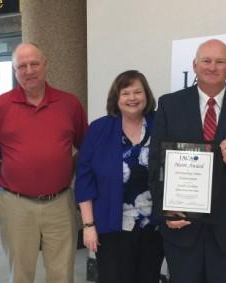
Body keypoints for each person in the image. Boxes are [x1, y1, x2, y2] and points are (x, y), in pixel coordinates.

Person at [148, 39, 226, 283]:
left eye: (220, 61)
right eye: (206, 61)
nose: (212, 67)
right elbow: (155, 164)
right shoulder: (169, 104)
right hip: (182, 228)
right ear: (194, 66)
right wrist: (167, 210)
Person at [0, 43, 88, 283]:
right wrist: (7, 176)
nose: (29, 71)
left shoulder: (69, 104)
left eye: (34, 64)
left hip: (60, 203)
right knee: (20, 273)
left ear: (45, 65)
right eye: (22, 66)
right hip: (16, 205)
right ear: (15, 70)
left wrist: (65, 170)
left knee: (62, 272)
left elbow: (86, 147)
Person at [75, 70, 164, 283]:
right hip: (111, 227)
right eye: (125, 93)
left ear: (146, 95)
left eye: (137, 92)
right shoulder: (99, 129)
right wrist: (88, 227)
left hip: (154, 228)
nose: (132, 98)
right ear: (116, 98)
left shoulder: (161, 125)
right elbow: (85, 180)